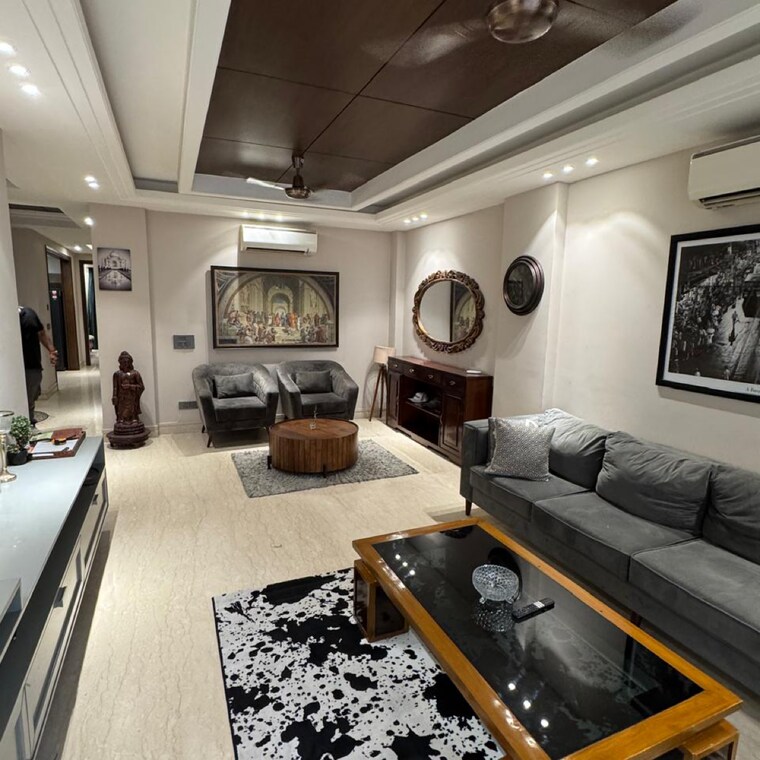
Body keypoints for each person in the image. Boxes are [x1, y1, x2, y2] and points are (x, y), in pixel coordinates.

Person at [18, 306, 57, 425]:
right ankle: (28, 425)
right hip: (14, 368)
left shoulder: (29, 315)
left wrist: (52, 351)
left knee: (31, 398)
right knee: (23, 401)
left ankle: (29, 423)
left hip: (32, 366)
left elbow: (41, 333)